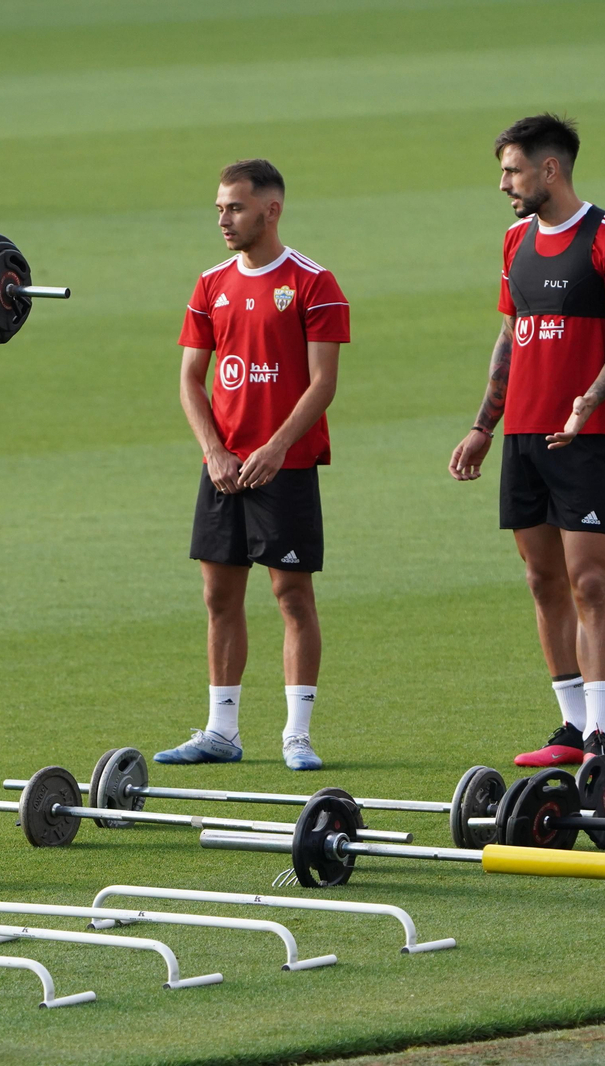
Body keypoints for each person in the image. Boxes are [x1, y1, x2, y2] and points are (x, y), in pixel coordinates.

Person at [448, 114, 605, 767]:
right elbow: (511, 335)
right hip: (525, 435)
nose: (504, 184)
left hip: (587, 436)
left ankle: (601, 733)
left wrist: (590, 399)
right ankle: (570, 728)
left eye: (511, 171)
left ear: (549, 169)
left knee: (588, 582)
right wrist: (485, 424)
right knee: (542, 580)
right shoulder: (514, 242)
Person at [160, 159, 350, 771]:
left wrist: (275, 448)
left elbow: (322, 384)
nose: (223, 218)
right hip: (224, 467)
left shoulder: (314, 282)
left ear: (272, 210)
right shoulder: (210, 283)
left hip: (285, 468)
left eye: (235, 207)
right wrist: (214, 449)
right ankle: (221, 731)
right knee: (219, 596)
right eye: (219, 208)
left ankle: (297, 734)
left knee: (292, 595)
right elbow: (191, 380)